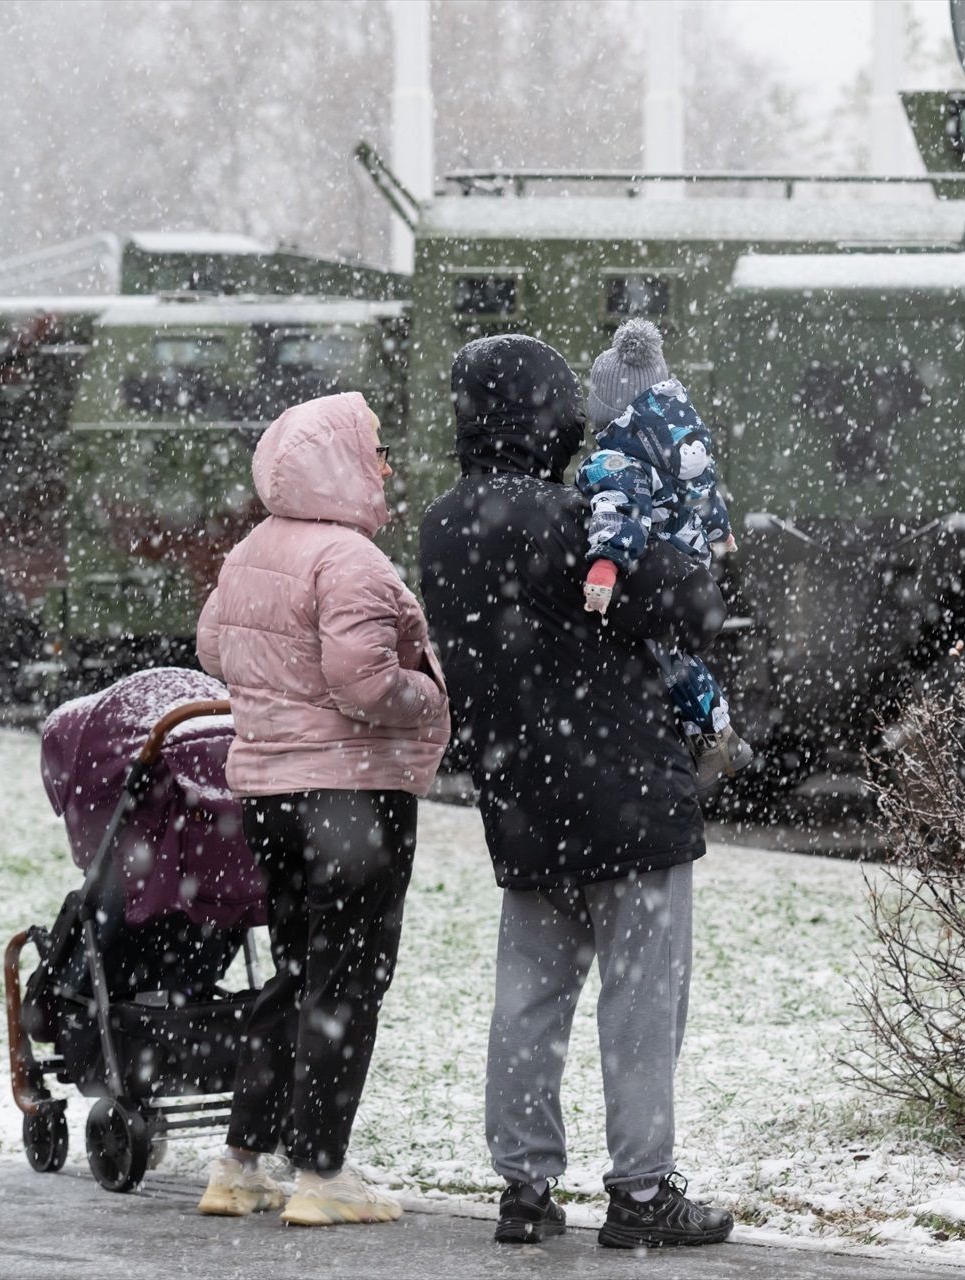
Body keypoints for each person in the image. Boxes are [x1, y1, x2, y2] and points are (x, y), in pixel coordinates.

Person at [418, 334, 735, 1249]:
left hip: (522, 797)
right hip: (627, 796)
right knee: (640, 1004)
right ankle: (640, 1194)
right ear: (545, 415)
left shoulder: (444, 524)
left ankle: (524, 1188)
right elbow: (689, 600)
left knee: (528, 1000)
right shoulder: (572, 521)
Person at [193, 391, 449, 1227]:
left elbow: (212, 647)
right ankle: (322, 1173)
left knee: (298, 974)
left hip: (266, 790)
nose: (383, 465)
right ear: (335, 463)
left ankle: (239, 1161)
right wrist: (431, 692)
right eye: (372, 450)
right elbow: (365, 683)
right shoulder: (353, 563)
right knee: (348, 979)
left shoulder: (249, 553)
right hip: (352, 798)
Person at [577, 319, 755, 788]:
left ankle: (716, 737)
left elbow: (618, 513)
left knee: (664, 657)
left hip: (649, 574)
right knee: (675, 655)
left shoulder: (616, 461)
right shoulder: (682, 448)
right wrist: (720, 534)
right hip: (689, 565)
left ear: (608, 410)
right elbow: (704, 494)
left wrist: (604, 564)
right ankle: (717, 735)